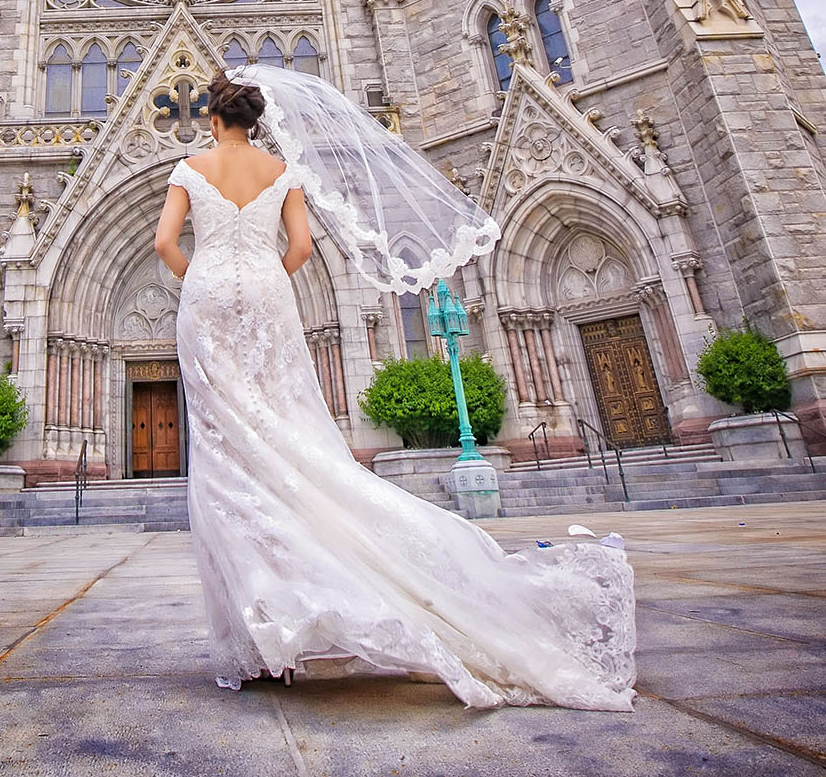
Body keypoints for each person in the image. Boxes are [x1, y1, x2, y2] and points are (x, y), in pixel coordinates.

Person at [154, 66, 637, 709]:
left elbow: (164, 243)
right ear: (257, 120)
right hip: (269, 295)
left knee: (226, 456)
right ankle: (312, 606)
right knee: (286, 430)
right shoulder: (282, 171)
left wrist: (202, 279)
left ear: (212, 119)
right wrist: (264, 275)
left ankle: (267, 632)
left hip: (208, 298)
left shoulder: (189, 168)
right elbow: (299, 249)